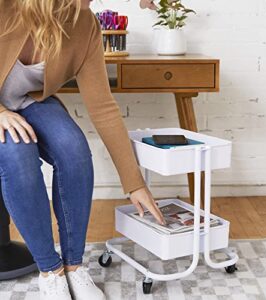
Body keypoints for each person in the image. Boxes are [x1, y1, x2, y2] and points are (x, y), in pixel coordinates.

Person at [0, 0, 166, 299]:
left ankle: (74, 267)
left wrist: (135, 183)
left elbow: (103, 108)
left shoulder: (84, 23)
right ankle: (50, 271)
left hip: (27, 101)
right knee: (17, 152)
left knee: (73, 147)